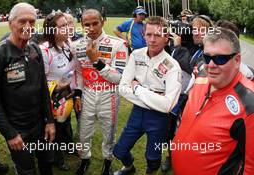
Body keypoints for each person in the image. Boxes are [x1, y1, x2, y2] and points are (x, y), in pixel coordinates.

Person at [172, 28, 254, 174]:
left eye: (220, 59)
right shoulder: (201, 77)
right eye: (207, 57)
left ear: (237, 60)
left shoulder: (249, 103)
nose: (211, 65)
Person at [0, 2, 55, 175]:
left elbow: (43, 87)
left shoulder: (34, 49)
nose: (28, 27)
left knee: (47, 163)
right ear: (11, 23)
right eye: (22, 21)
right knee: (27, 170)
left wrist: (49, 120)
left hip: (40, 125)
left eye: (32, 22)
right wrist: (10, 133)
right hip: (17, 128)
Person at [113, 16, 182, 175]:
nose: (152, 39)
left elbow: (167, 106)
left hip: (159, 118)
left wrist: (137, 89)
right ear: (144, 35)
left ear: (166, 38)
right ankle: (129, 167)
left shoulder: (173, 66)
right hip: (137, 112)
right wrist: (155, 97)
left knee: (153, 157)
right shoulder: (136, 55)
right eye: (149, 34)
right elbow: (123, 88)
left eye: (157, 35)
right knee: (119, 150)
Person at [72, 9, 128, 175]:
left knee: (109, 133)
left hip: (109, 94)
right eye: (86, 24)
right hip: (87, 93)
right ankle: (84, 159)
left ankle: (108, 163)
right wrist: (77, 94)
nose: (91, 27)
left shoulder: (118, 44)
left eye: (95, 23)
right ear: (81, 25)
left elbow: (119, 78)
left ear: (102, 21)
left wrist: (96, 61)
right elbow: (78, 73)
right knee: (83, 133)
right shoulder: (77, 46)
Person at [39, 11, 80, 171]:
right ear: (51, 30)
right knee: (54, 128)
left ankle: (67, 147)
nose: (68, 28)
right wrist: (58, 86)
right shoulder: (44, 50)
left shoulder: (68, 43)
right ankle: (56, 157)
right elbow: (41, 81)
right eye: (63, 26)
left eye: (68, 24)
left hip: (67, 96)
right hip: (52, 99)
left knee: (65, 124)